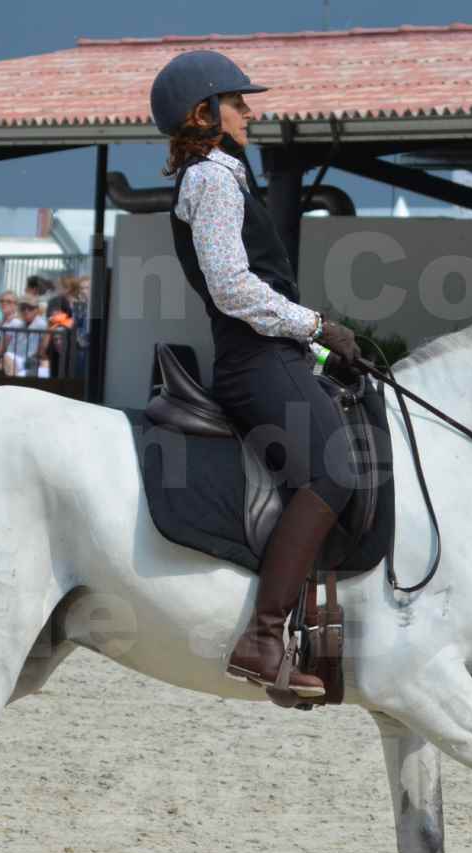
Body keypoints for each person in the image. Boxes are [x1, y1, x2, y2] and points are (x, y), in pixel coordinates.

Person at [153, 50, 359, 700]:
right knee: (333, 472)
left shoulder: (228, 177)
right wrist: (317, 325)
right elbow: (234, 289)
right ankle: (264, 637)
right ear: (204, 113)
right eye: (239, 102)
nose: (251, 111)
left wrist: (324, 354)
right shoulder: (211, 179)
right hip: (254, 362)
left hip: (273, 357)